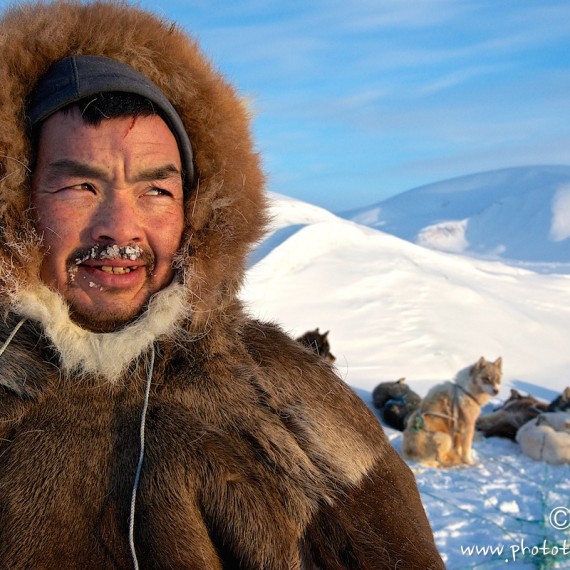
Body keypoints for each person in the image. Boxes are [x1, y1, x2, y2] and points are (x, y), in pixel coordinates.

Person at [0, 2, 444, 568]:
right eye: (80, 186)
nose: (119, 228)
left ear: (196, 210)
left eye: (156, 190)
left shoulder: (289, 403)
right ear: (16, 203)